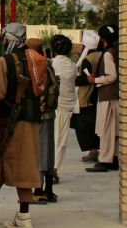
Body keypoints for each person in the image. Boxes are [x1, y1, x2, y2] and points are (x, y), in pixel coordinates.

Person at [0, 23, 41, 228]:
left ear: (10, 38)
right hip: (30, 119)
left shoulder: (5, 60)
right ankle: (24, 215)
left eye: (5, 37)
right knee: (26, 165)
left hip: (7, 120)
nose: (3, 41)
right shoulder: (35, 58)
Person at [28, 38, 59, 203]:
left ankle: (38, 189)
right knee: (48, 150)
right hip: (49, 113)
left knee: (39, 151)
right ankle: (49, 189)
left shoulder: (36, 65)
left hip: (38, 115)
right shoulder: (48, 64)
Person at [86, 25, 119, 173]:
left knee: (106, 129)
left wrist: (96, 80)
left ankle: (105, 159)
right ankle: (114, 157)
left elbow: (111, 76)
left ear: (103, 39)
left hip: (108, 96)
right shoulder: (116, 51)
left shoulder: (107, 54)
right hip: (113, 95)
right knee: (114, 129)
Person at [49, 34, 77, 185]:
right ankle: (55, 169)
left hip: (52, 105)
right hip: (66, 106)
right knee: (61, 140)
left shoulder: (50, 64)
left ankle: (48, 167)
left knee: (49, 138)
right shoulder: (73, 66)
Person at [73, 30, 101, 161]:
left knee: (84, 126)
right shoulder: (101, 55)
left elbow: (86, 79)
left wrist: (72, 80)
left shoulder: (87, 60)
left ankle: (93, 150)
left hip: (85, 97)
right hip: (97, 96)